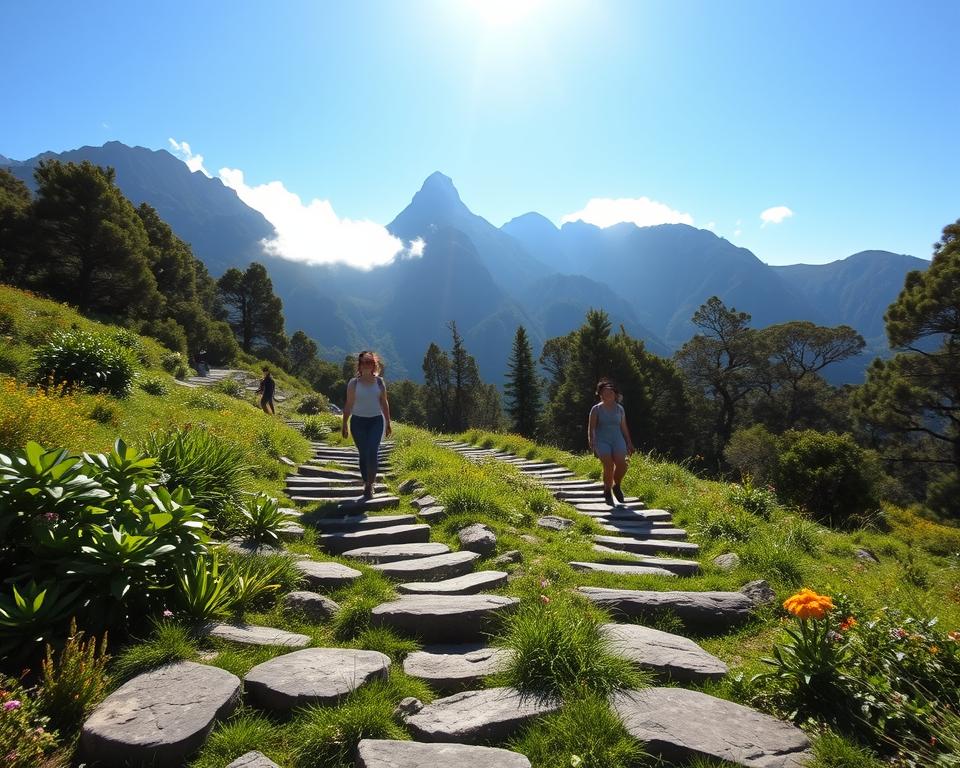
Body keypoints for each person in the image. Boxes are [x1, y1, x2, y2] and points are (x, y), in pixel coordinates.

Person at [342, 350, 392, 500]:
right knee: (363, 453)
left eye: (370, 362)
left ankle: (370, 485)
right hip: (358, 422)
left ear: (374, 365)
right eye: (364, 362)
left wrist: (388, 422)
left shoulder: (379, 382)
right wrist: (344, 423)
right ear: (360, 364)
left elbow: (384, 402)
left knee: (373, 451)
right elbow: (349, 404)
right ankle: (366, 481)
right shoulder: (353, 383)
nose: (367, 365)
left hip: (376, 421)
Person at [587, 378, 635, 506]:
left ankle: (616, 485)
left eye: (611, 393)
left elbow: (624, 427)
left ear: (615, 394)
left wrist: (629, 442)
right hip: (602, 441)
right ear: (600, 395)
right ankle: (607, 491)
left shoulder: (620, 409)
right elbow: (591, 427)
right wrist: (592, 441)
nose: (608, 396)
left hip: (617, 439)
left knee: (622, 465)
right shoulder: (596, 409)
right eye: (605, 393)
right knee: (608, 466)